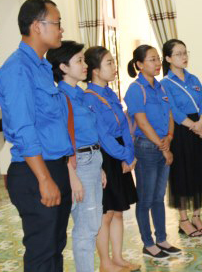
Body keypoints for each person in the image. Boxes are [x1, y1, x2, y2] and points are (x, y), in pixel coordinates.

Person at [0, 0, 73, 271]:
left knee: (55, 249)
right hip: (34, 172)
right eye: (57, 23)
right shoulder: (17, 70)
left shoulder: (41, 67)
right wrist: (44, 178)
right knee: (41, 253)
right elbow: (24, 129)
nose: (61, 29)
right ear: (37, 26)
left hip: (54, 167)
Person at [47, 41, 106, 272]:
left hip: (91, 160)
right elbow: (62, 138)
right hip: (77, 165)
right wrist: (72, 175)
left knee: (91, 225)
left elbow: (87, 133)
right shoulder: (61, 97)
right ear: (63, 67)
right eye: (79, 61)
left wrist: (99, 165)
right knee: (86, 228)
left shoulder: (79, 94)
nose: (85, 65)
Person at [83, 46, 140, 272]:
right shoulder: (89, 97)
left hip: (121, 154)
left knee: (118, 210)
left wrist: (130, 153)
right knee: (105, 214)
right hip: (106, 157)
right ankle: (105, 263)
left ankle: (118, 258)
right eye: (109, 63)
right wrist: (124, 154)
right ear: (95, 70)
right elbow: (102, 136)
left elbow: (124, 125)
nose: (114, 67)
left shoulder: (110, 93)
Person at [124, 45, 181, 259]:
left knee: (159, 197)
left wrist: (170, 138)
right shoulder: (136, 89)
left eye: (158, 59)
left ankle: (162, 239)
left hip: (163, 143)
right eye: (151, 60)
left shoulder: (161, 87)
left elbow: (169, 116)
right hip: (147, 148)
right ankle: (148, 243)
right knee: (146, 198)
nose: (157, 63)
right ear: (139, 64)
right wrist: (162, 146)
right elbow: (142, 122)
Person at [160, 39, 202, 237]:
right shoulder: (165, 83)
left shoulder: (194, 79)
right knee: (182, 175)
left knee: (199, 172)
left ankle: (197, 216)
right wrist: (193, 125)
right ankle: (183, 220)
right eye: (178, 54)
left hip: (198, 128)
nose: (184, 57)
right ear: (168, 58)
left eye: (185, 53)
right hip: (181, 131)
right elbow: (173, 110)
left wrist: (201, 122)